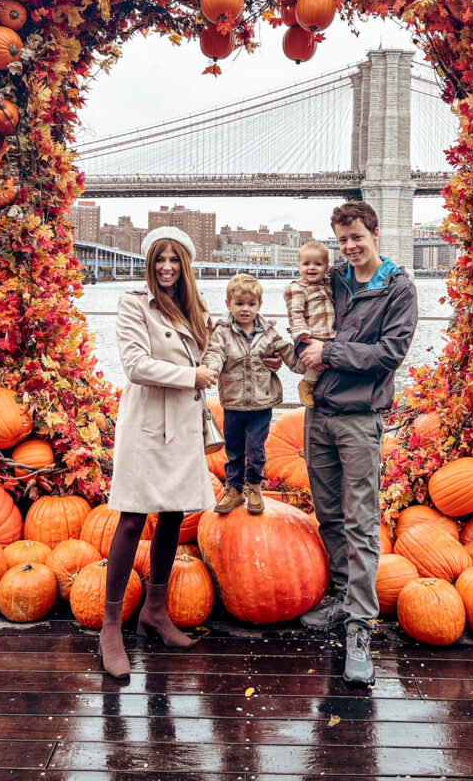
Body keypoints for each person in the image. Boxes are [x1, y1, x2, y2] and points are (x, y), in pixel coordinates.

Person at [297, 201, 418, 685]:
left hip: (360, 418)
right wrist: (287, 355)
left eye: (357, 239)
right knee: (329, 514)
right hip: (317, 413)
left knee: (362, 522)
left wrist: (328, 351)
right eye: (342, 241)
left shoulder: (398, 288)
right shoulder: (335, 279)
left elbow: (389, 355)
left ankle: (361, 626)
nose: (349, 248)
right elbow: (309, 328)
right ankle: (344, 601)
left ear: (375, 233)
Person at [99, 226, 218, 679]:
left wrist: (260, 359)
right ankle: (110, 627)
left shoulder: (196, 308)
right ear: (149, 264)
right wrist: (192, 376)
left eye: (174, 260)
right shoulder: (134, 303)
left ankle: (155, 610)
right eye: (159, 259)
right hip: (149, 421)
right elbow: (134, 364)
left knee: (172, 515)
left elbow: (215, 357)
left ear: (184, 265)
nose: (166, 267)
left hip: (183, 421)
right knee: (132, 516)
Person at [202, 273, 305, 515]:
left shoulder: (268, 332)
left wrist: (306, 367)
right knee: (234, 450)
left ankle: (255, 486)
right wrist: (211, 370)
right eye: (239, 304)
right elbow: (215, 352)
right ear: (228, 304)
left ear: (259, 305)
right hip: (233, 403)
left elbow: (288, 354)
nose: (245, 309)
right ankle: (234, 489)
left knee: (256, 450)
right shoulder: (222, 332)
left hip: (261, 403)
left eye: (251, 304)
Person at [283, 242, 336, 408]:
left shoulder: (326, 284)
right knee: (319, 364)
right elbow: (295, 312)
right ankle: (307, 383)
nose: (312, 268)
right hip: (309, 336)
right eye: (306, 264)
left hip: (328, 335)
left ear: (327, 267)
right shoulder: (297, 288)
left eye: (318, 264)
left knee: (334, 357)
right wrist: (300, 332)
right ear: (298, 266)